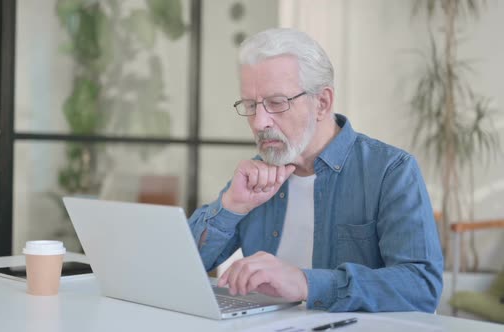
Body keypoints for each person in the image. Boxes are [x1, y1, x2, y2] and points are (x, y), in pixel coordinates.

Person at [188, 28, 443, 313]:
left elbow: (421, 287)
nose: (260, 122)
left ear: (322, 102)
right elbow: (180, 267)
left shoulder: (390, 171)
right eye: (250, 105)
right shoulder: (257, 173)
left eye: (276, 103)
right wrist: (232, 206)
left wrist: (305, 282)